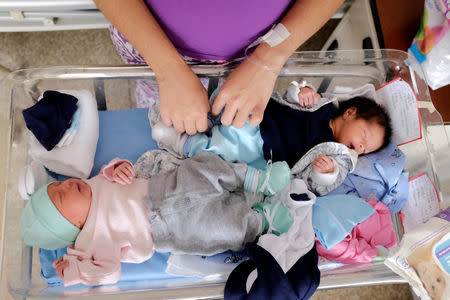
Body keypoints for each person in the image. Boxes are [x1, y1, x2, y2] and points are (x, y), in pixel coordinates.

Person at [21, 152, 293, 286]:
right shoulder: (90, 240)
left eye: (59, 185)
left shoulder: (92, 184)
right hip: (169, 230)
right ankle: (261, 221)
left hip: (166, 187)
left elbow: (113, 171)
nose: (66, 185)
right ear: (73, 225)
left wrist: (119, 169)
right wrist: (76, 267)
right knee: (217, 230)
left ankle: (258, 180)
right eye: (59, 197)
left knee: (202, 165)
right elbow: (109, 274)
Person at [93, 0, 345, 135]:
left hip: (263, 46)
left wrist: (266, 61)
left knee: (236, 111)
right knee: (159, 102)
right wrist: (168, 73)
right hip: (153, 45)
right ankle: (153, 103)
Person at [151, 83, 393, 175]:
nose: (360, 147)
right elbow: (289, 96)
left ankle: (183, 143)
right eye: (364, 135)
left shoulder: (335, 157)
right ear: (350, 114)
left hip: (263, 150)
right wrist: (302, 92)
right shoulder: (323, 105)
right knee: (227, 100)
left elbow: (316, 183)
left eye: (365, 149)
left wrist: (327, 173)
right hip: (260, 114)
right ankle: (201, 116)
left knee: (225, 150)